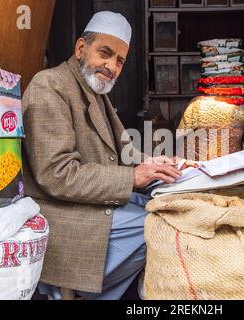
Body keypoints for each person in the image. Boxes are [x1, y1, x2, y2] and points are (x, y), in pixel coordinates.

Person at [22, 11, 181, 300]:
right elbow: (57, 175)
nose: (111, 66)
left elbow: (123, 151)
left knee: (169, 206)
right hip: (63, 214)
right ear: (81, 49)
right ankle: (79, 291)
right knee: (162, 227)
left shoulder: (95, 91)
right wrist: (133, 177)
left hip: (90, 201)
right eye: (105, 54)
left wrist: (158, 164)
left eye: (119, 60)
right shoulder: (49, 85)